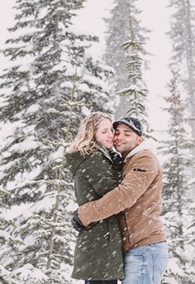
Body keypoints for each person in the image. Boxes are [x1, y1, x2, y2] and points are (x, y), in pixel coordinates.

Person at [72, 117, 169, 284]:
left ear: (140, 139)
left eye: (127, 134)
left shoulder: (145, 159)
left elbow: (124, 196)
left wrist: (84, 214)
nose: (119, 137)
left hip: (145, 249)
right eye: (116, 133)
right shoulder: (128, 161)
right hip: (135, 249)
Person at [64, 112, 125, 284]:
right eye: (104, 131)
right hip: (101, 243)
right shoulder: (93, 158)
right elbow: (115, 193)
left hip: (98, 241)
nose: (111, 135)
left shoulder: (97, 157)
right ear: (92, 133)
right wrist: (119, 169)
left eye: (111, 131)